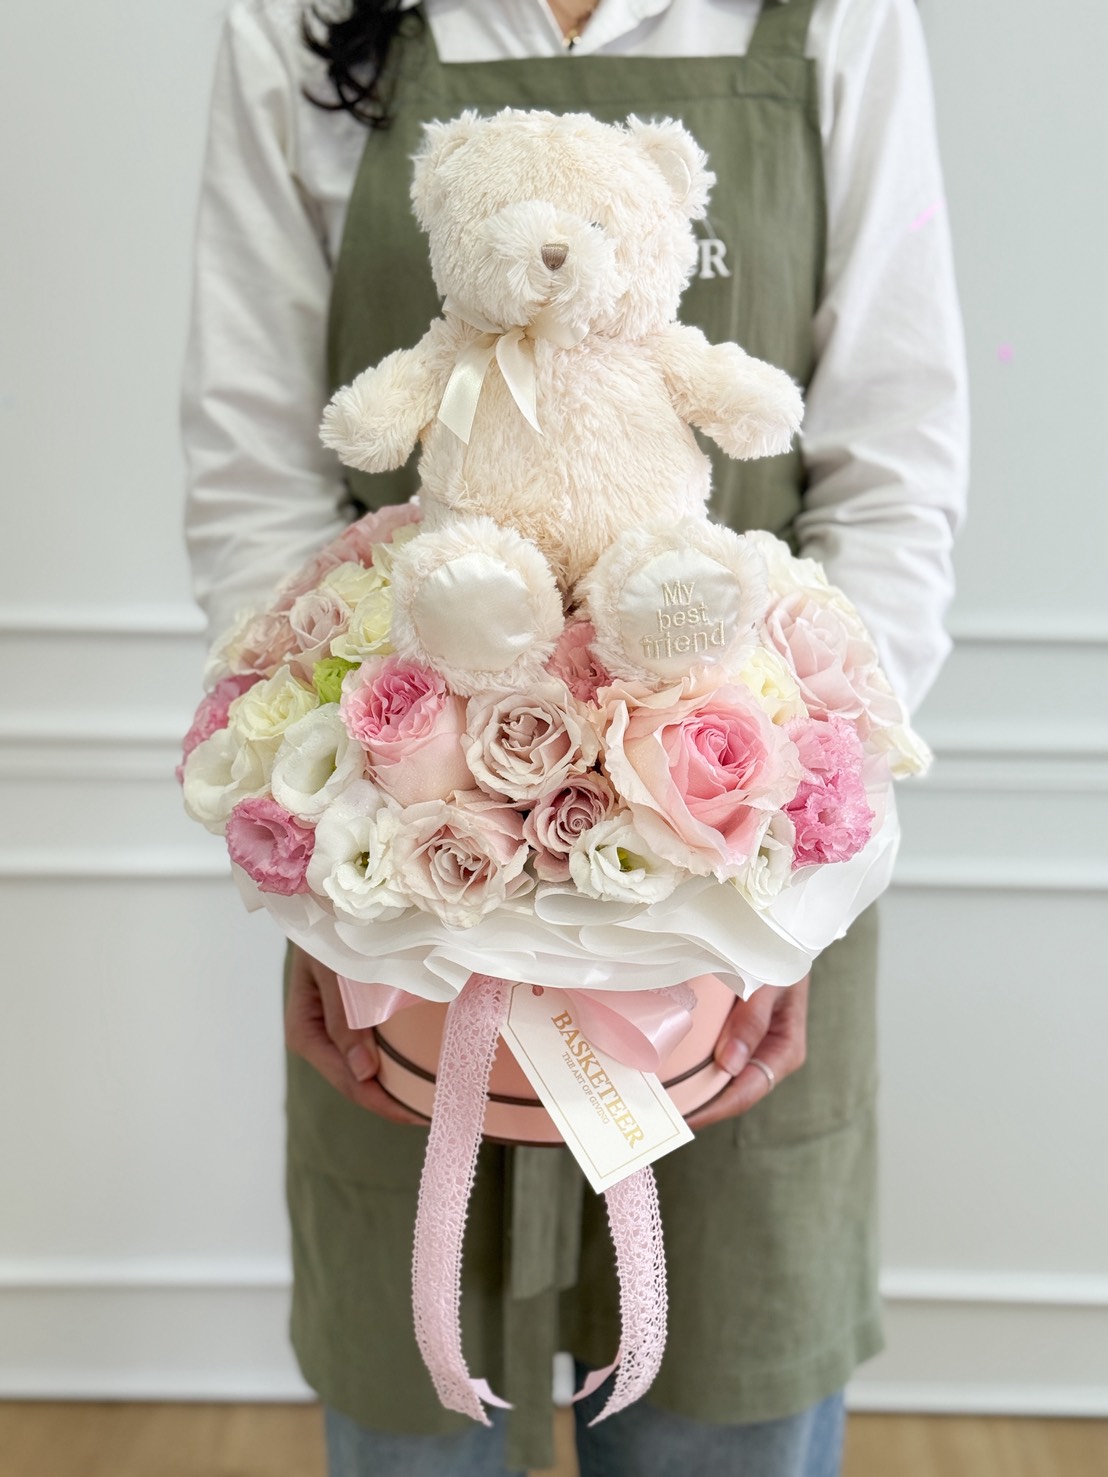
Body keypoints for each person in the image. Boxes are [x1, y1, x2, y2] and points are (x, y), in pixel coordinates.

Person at [183, 1, 968, 1473]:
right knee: (415, 1416)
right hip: (406, 894)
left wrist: (780, 894)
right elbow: (254, 476)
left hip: (736, 879)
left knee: (725, 1403)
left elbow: (892, 476)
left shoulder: (839, 18)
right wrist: (332, 853)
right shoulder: (296, 23)